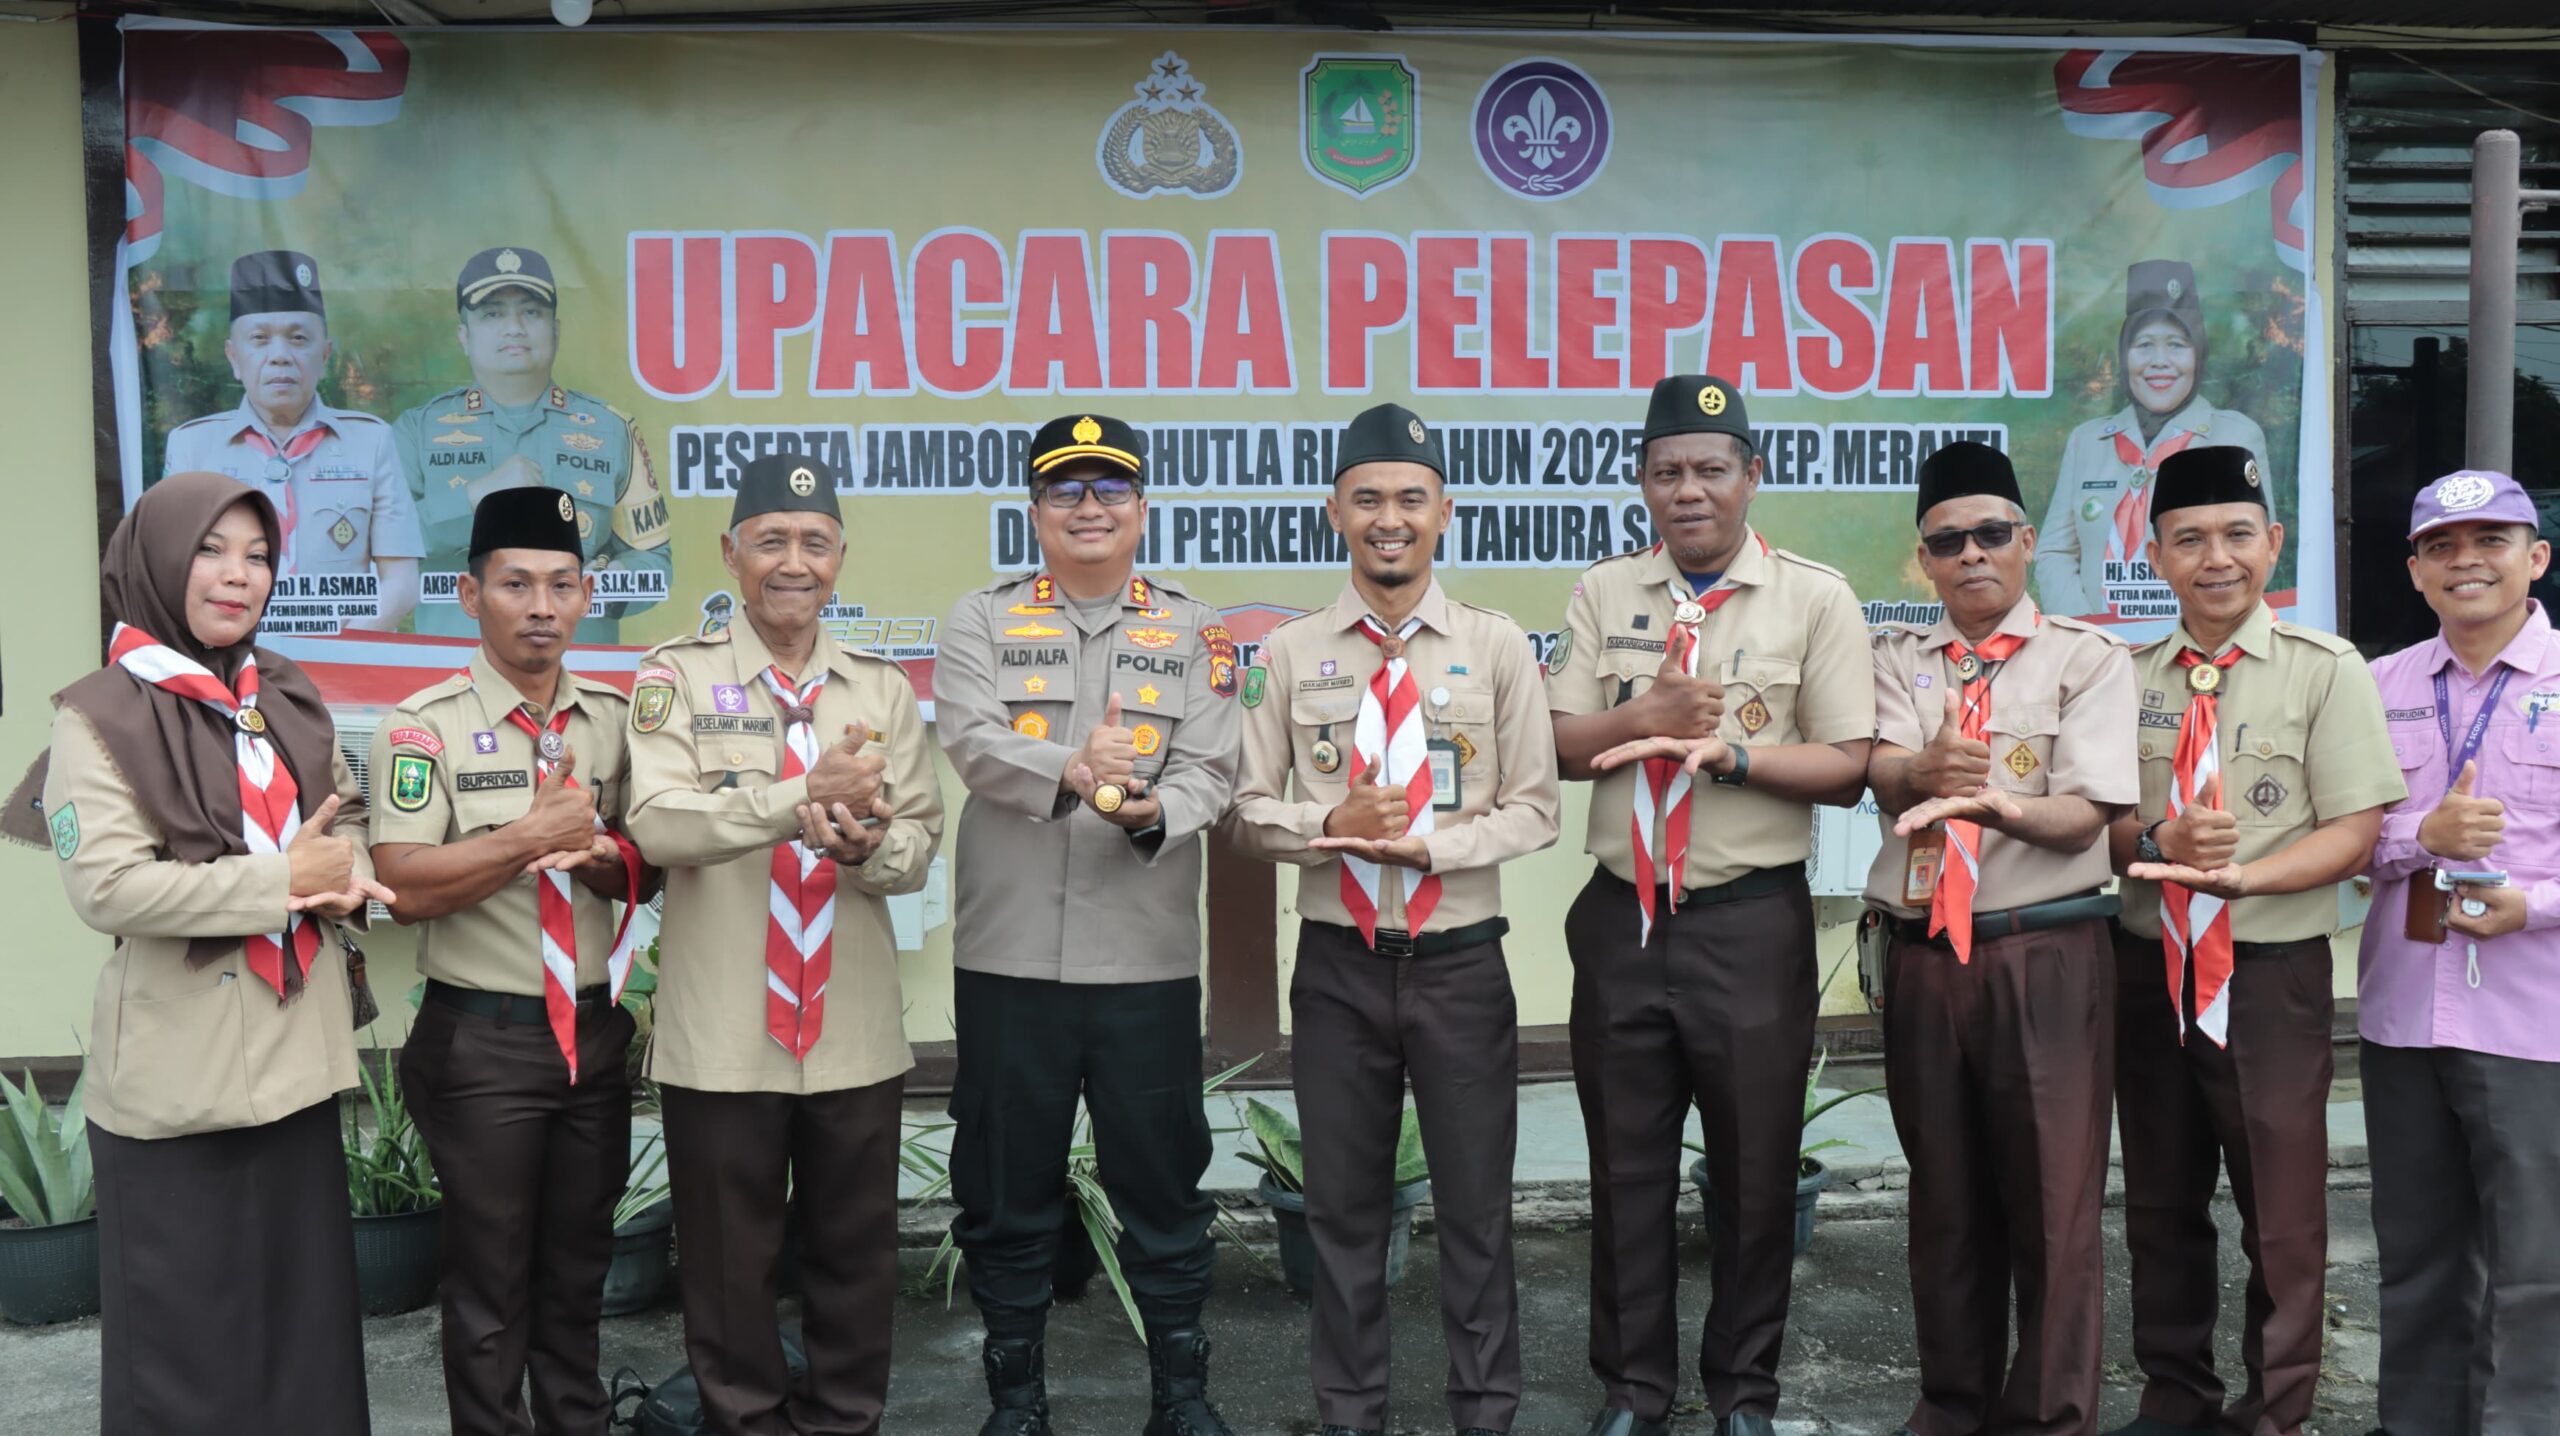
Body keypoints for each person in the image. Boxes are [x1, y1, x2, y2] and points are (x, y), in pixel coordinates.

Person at [26, 471, 393, 1433]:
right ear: (156, 560)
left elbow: (344, 815)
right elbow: (108, 889)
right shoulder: (98, 715)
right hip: (176, 1087)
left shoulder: (284, 694)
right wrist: (284, 881)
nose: (240, 576)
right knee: (188, 1357)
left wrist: (345, 871)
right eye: (211, 551)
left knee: (303, 1340)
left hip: (297, 1064)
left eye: (259, 556)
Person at [1542, 375, 1873, 1436]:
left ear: (1751, 476)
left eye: (1710, 469)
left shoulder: (1814, 598)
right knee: (1625, 1167)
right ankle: (1633, 1392)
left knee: (1754, 1171)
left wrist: (1734, 756)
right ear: (1644, 482)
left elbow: (1849, 764)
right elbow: (1557, 745)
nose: (1689, 490)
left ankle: (1743, 1394)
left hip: (1747, 922)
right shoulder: (1605, 593)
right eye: (1668, 471)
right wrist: (1639, 714)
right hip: (1623, 916)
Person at [1227, 401, 1561, 1436]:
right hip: (1339, 966)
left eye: (1411, 498)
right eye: (1366, 497)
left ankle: (1485, 1413)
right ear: (1334, 512)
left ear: (1443, 513)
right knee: (1340, 1213)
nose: (1389, 518)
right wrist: (1328, 823)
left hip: (1461, 963)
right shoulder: (1289, 653)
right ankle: (1349, 1413)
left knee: (1477, 1211)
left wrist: (1433, 848)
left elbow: (1537, 808)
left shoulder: (1497, 646)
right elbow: (1245, 810)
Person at [935, 413, 1244, 1436]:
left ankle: (1182, 1400)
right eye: (1065, 489)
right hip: (1010, 956)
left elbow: (1212, 767)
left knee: (1163, 1188)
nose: (1089, 507)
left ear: (1141, 509)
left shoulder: (1196, 630)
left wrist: (1152, 810)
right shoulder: (978, 619)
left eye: (1110, 488)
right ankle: (1016, 1403)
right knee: (1003, 1187)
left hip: (1144, 960)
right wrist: (1072, 769)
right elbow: (971, 739)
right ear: (1035, 511)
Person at [623, 452, 943, 1436]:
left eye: (814, 542)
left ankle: (846, 1421)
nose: (793, 561)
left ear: (840, 555)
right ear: (731, 553)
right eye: (771, 541)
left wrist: (869, 846)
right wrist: (799, 798)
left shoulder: (881, 689)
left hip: (850, 1031)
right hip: (724, 1035)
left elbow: (919, 842)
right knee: (728, 1267)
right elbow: (658, 823)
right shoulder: (674, 676)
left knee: (855, 1258)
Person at [2106, 444, 2404, 1436]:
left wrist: (2247, 879)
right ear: (2154, 555)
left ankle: (2273, 1410)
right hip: (2150, 968)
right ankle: (2174, 1397)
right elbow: (2099, 823)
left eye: (2237, 533)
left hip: (2270, 972)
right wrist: (2158, 841)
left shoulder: (2325, 670)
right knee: (2158, 1199)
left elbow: (2355, 829)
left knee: (2280, 1209)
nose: (2216, 557)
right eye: (2189, 538)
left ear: (2272, 543)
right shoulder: (2123, 677)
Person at [368, 486, 659, 1436]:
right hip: (483, 1042)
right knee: (490, 1289)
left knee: (578, 1276)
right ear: (469, 594)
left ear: (586, 597)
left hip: (592, 1037)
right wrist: (528, 836)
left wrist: (601, 852)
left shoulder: (613, 720)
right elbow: (402, 884)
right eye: (516, 584)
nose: (542, 606)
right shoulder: (424, 726)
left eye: (562, 585)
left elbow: (645, 866)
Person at [1863, 441, 2136, 1436]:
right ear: (1923, 560)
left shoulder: (2085, 657)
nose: (1970, 554)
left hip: (2042, 955)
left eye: (1989, 534)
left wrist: (1991, 803)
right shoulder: (1895, 657)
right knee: (1943, 1200)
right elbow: (1883, 767)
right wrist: (1921, 770)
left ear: (2025, 541)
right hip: (1924, 958)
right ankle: (1952, 1403)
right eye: (1947, 541)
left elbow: (2090, 813)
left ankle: (2051, 1417)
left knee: (2054, 1207)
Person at [2357, 468, 2560, 1435]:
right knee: (2417, 1255)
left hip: (2535, 1021)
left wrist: (2534, 906)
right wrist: (2417, 837)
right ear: (2416, 571)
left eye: (2490, 541)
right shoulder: (2378, 686)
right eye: (2441, 546)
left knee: (2538, 1266)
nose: (2465, 561)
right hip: (2404, 1016)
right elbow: (2341, 836)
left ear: (2536, 558)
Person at [394, 246, 672, 641]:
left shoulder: (611, 430)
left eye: (531, 312)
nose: (514, 328)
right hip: (454, 667)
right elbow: (384, 550)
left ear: (555, 331)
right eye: (493, 314)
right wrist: (474, 498)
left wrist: (612, 584)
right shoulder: (416, 430)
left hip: (578, 668)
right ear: (464, 336)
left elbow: (655, 561)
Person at [163, 250, 423, 630]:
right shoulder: (192, 447)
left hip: (344, 653)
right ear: (233, 357)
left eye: (298, 338)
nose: (280, 356)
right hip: (231, 656)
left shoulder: (372, 442)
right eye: (259, 339)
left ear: (325, 355)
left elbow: (401, 584)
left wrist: (344, 652)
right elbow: (171, 576)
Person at [2036, 259, 2271, 620]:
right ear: (2124, 356)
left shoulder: (2235, 435)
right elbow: (2056, 552)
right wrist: (2088, 633)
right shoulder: (2087, 441)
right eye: (2144, 344)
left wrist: (2195, 636)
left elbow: (2255, 551)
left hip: (2197, 643)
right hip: (2096, 645)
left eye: (2177, 345)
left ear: (2198, 355)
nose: (2160, 361)